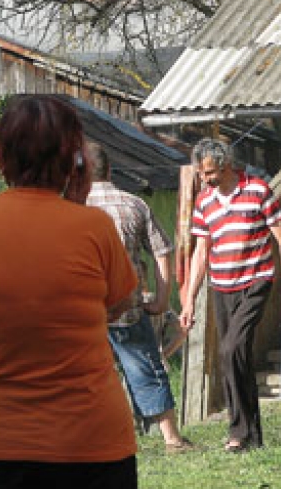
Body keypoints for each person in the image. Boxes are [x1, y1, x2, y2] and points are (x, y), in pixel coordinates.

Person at [0, 94, 139, 489]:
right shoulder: (94, 227)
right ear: (75, 160)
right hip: (90, 443)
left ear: (0, 156)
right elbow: (120, 304)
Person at [179, 138, 281, 452]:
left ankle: (237, 431)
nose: (205, 180)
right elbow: (201, 251)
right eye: (201, 174)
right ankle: (252, 436)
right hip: (222, 287)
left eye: (209, 173)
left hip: (256, 281)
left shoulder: (258, 190)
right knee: (237, 357)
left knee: (230, 350)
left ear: (226, 165)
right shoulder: (205, 202)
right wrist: (190, 298)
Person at [84, 142, 192, 453]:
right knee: (147, 369)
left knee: (87, 379)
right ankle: (171, 439)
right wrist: (161, 299)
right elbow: (162, 251)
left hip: (83, 312)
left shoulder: (71, 209)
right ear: (110, 170)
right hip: (128, 307)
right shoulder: (134, 204)